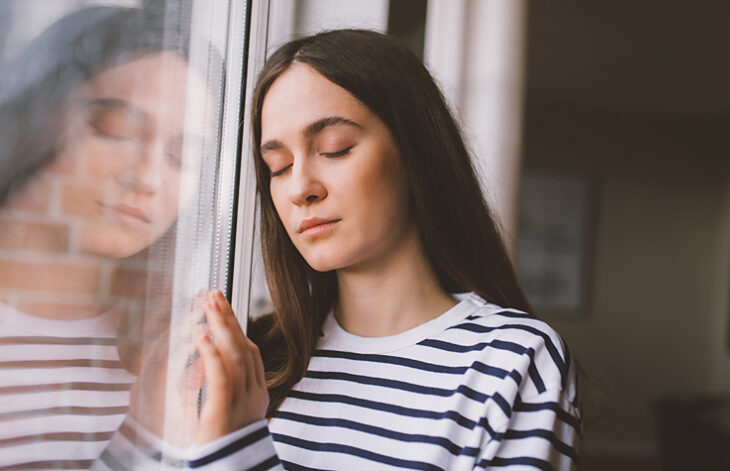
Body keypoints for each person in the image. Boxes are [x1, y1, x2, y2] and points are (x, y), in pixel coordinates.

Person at [97, 29, 581, 470]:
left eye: (334, 149)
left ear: (415, 152)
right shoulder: (252, 360)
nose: (299, 188)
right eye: (279, 166)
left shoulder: (512, 361)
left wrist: (242, 450)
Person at [0, 5, 217, 469]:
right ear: (35, 117)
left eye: (183, 156)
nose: (146, 177)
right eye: (114, 130)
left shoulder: (178, 344)